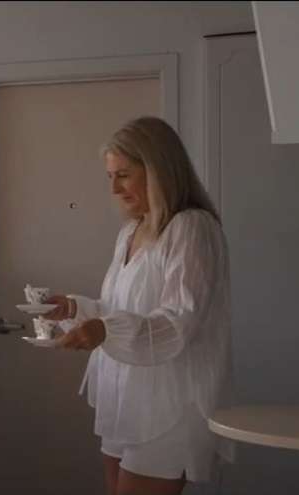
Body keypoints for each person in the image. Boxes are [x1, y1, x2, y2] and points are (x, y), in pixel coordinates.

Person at [43, 117, 233, 495]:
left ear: (159, 169)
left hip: (167, 402)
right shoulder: (131, 231)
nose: (114, 187)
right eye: (110, 176)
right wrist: (76, 310)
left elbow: (179, 320)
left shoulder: (191, 228)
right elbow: (116, 307)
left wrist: (103, 329)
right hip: (124, 396)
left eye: (124, 175)